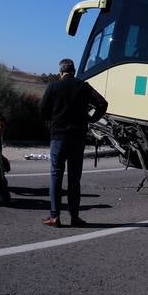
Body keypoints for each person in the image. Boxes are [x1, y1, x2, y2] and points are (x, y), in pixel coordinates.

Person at [39, 57, 108, 228]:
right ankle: (74, 216)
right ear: (74, 71)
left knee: (56, 176)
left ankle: (55, 216)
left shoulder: (53, 86)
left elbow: (42, 110)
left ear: (60, 72)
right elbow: (102, 104)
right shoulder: (83, 86)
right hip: (78, 139)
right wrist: (91, 119)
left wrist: (53, 119)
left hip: (58, 138)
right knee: (74, 179)